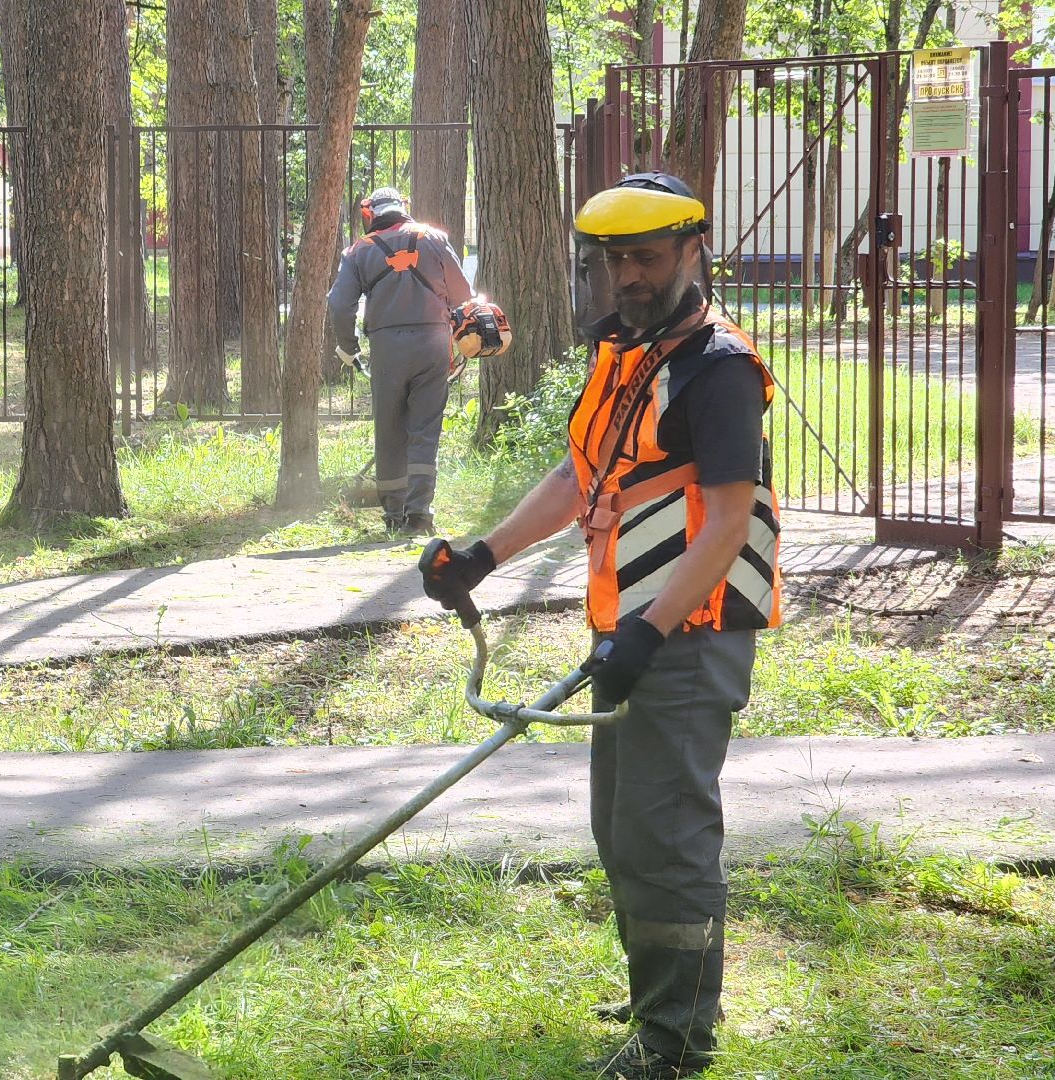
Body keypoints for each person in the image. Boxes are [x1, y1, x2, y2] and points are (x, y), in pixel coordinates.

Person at [419, 173, 782, 1079]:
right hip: (631, 630)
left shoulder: (719, 369)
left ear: (693, 251)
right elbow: (582, 476)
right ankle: (661, 988)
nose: (625, 276)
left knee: (665, 835)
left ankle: (675, 1041)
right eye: (611, 260)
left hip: (687, 636)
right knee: (621, 828)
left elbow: (730, 524)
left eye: (644, 258)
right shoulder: (627, 356)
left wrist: (649, 635)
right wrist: (482, 556)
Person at [327, 187, 472, 534]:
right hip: (433, 345)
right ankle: (419, 515)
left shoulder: (358, 250)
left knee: (389, 430)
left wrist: (349, 348)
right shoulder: (433, 238)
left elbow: (338, 304)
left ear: (370, 215)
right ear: (403, 209)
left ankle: (393, 515)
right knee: (425, 430)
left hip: (386, 349)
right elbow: (463, 294)